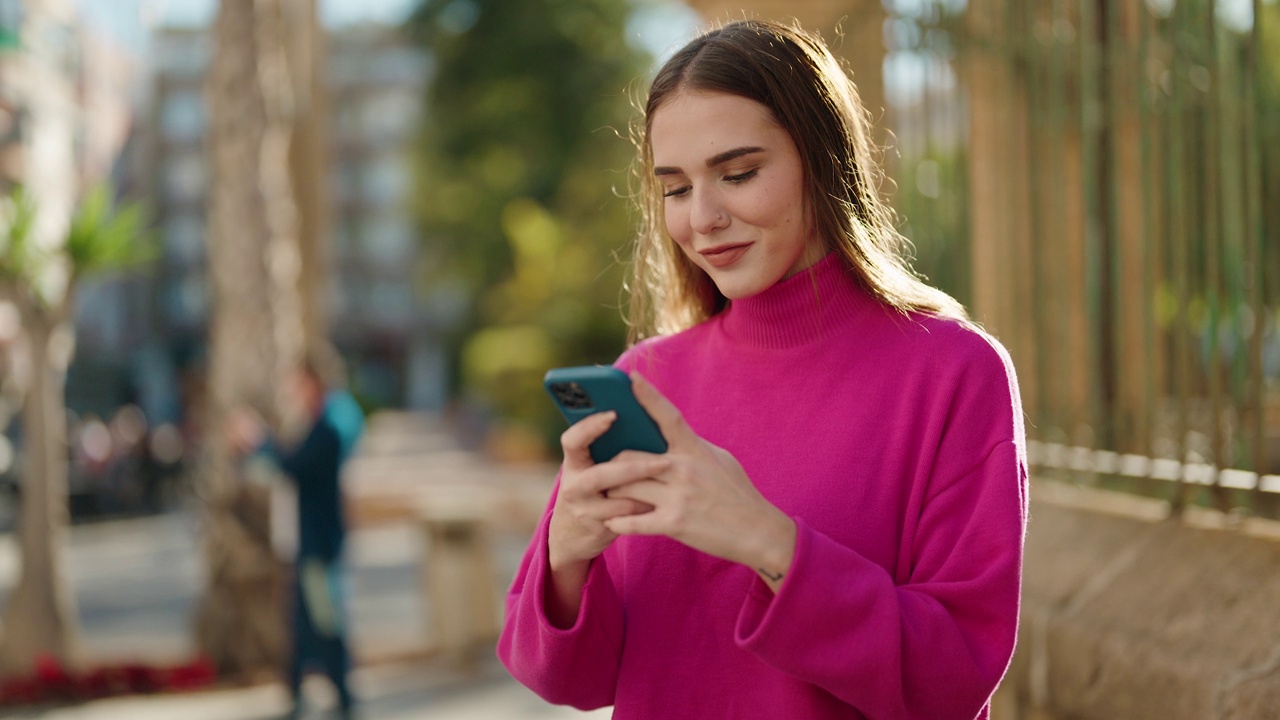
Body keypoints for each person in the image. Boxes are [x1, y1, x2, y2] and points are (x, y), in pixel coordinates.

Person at [497, 19, 1028, 720]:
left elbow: (953, 680)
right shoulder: (647, 381)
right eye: (676, 188)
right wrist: (566, 559)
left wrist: (764, 540)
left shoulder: (954, 372)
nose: (703, 218)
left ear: (822, 159)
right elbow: (569, 681)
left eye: (739, 174)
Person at [231, 349, 365, 719]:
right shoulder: (329, 418)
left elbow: (296, 466)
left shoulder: (330, 425)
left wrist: (258, 442)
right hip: (313, 538)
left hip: (320, 541)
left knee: (324, 619)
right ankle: (301, 692)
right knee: (307, 621)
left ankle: (341, 695)